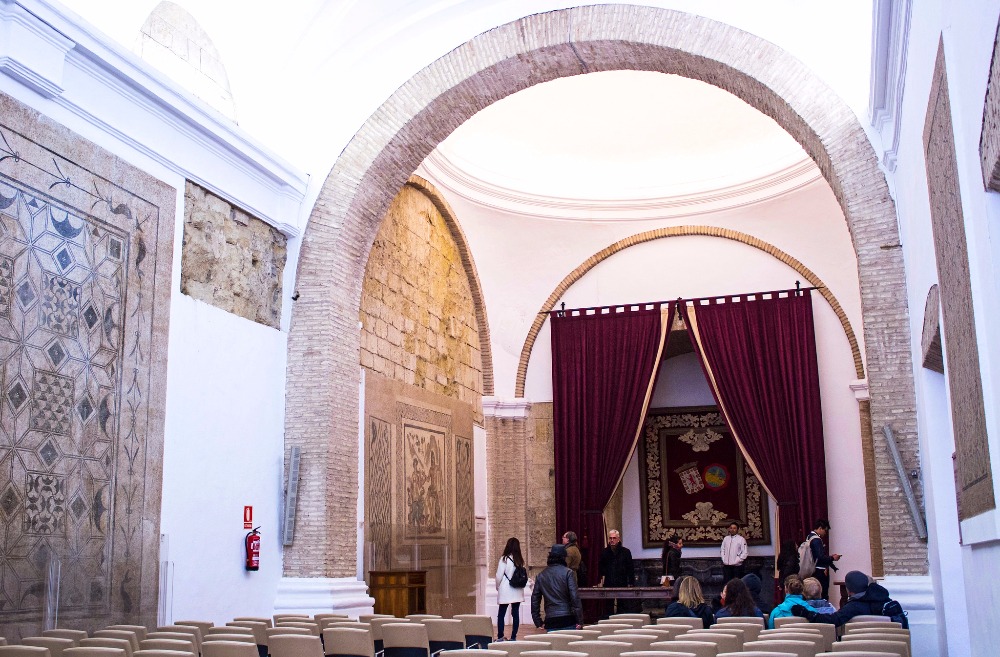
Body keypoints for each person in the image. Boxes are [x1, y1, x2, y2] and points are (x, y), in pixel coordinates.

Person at [791, 570, 901, 627]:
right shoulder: (884, 599)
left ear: (849, 590)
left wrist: (807, 613)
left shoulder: (853, 607)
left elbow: (832, 621)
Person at [531, 543, 583, 632]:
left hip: (550, 618)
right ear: (564, 558)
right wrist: (579, 620)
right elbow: (575, 597)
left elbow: (535, 600)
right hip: (568, 617)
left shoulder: (541, 575)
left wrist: (538, 621)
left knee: (554, 644)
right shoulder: (568, 573)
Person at [598, 528, 635, 615]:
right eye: (610, 538)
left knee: (622, 605)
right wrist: (606, 572)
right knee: (608, 605)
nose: (612, 540)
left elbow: (630, 568)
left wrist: (631, 582)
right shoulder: (605, 552)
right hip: (609, 581)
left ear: (618, 539)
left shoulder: (625, 552)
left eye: (614, 538)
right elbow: (600, 566)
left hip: (622, 581)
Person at [495, 537, 525, 641]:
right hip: (517, 589)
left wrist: (497, 586)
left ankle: (500, 636)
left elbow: (499, 575)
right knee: (515, 614)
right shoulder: (520, 560)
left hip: (506, 589)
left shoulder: (504, 559)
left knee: (501, 614)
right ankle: (513, 637)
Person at [804, 519, 841, 600]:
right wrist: (832, 558)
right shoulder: (816, 540)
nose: (825, 532)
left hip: (812, 570)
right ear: (820, 528)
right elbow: (820, 557)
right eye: (825, 530)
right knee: (822, 594)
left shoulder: (809, 537)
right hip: (819, 571)